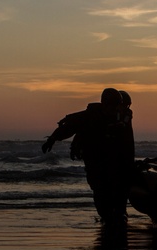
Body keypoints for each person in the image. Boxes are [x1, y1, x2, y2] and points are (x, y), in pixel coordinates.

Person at [43, 88, 135, 225]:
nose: (116, 109)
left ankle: (120, 214)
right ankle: (106, 216)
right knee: (99, 190)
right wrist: (53, 138)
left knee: (120, 189)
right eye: (113, 105)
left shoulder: (122, 117)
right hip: (95, 161)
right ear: (104, 104)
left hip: (115, 161)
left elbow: (128, 144)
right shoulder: (91, 116)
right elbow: (70, 126)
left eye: (118, 105)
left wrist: (129, 163)